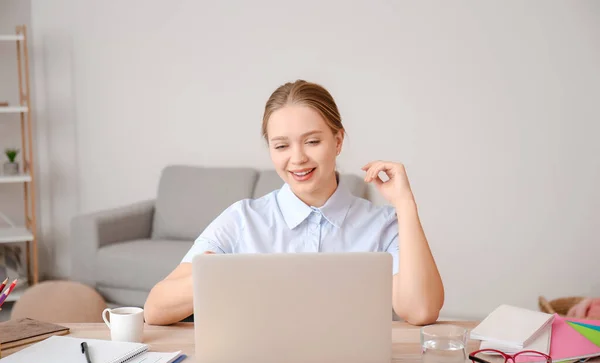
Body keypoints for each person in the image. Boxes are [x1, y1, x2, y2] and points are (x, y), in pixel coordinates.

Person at [144, 79, 444, 326]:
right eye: (282, 146)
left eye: (312, 141)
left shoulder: (383, 224)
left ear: (338, 141)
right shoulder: (241, 219)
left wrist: (405, 204)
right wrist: (224, 273)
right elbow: (155, 310)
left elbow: (420, 311)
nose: (297, 158)